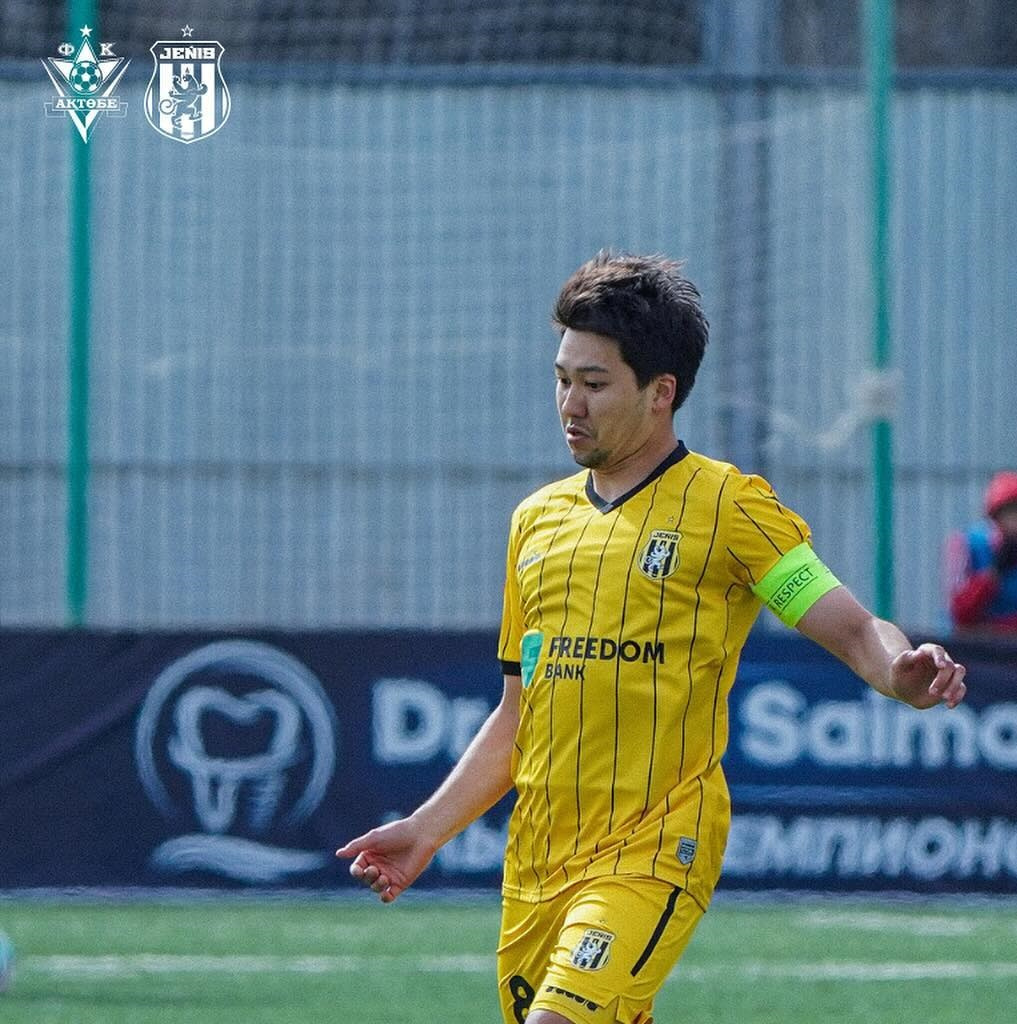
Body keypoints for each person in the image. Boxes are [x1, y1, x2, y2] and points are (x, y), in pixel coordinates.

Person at [338, 252, 967, 1024]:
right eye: (562, 379)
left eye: (594, 383)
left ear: (660, 392)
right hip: (536, 864)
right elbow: (517, 714)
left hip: (654, 850)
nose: (570, 404)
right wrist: (426, 830)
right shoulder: (536, 523)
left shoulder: (730, 507)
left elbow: (852, 625)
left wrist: (898, 672)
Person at [945, 470, 1017, 632]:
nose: (1015, 523)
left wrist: (995, 628)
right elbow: (959, 614)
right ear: (995, 517)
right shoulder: (969, 545)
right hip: (972, 643)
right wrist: (991, 576)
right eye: (1009, 514)